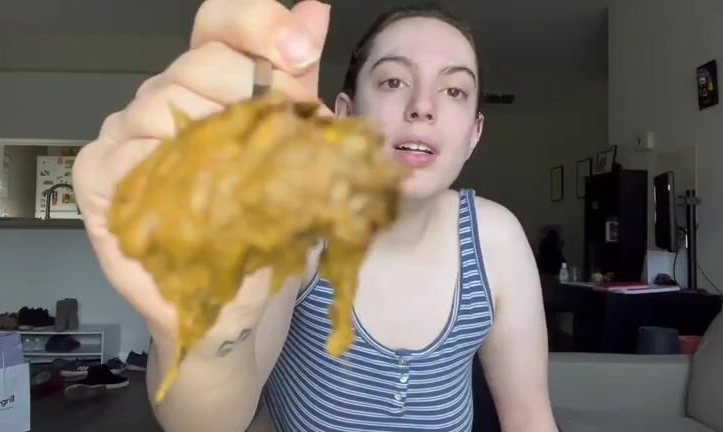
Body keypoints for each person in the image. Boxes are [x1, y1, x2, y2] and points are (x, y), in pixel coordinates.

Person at [72, 1, 558, 431]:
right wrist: (206, 338)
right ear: (344, 114)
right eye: (393, 81)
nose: (422, 107)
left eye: (454, 90)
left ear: (474, 134)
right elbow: (213, 422)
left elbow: (529, 419)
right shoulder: (301, 230)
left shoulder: (496, 240)